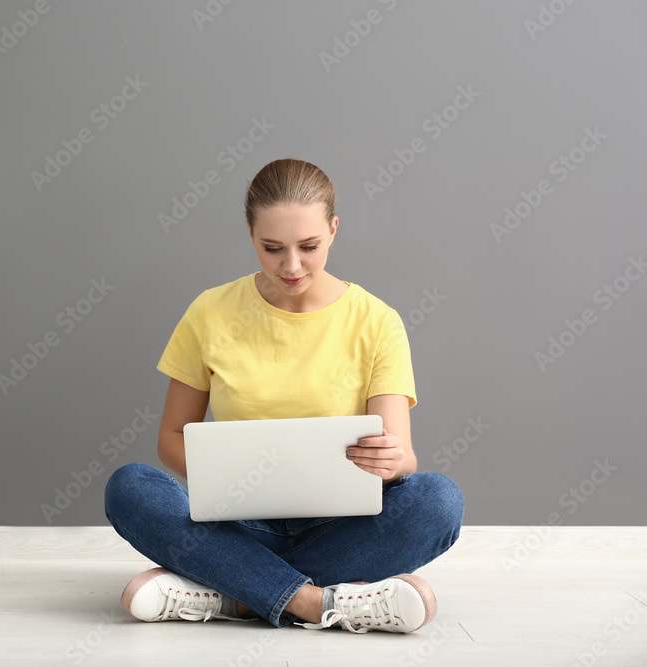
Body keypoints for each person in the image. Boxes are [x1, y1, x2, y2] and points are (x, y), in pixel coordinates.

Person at [103, 158, 465, 633]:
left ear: (334, 230)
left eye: (309, 246)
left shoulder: (378, 322)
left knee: (438, 501)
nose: (291, 266)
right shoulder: (210, 312)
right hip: (237, 524)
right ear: (250, 233)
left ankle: (234, 591)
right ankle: (316, 602)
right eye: (271, 248)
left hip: (340, 526)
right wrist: (223, 474)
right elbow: (170, 435)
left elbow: (404, 458)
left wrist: (393, 461)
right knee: (129, 487)